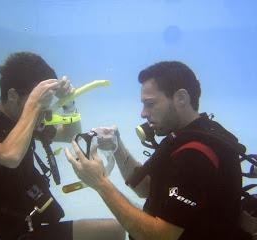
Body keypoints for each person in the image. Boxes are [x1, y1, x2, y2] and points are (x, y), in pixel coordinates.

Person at [65, 61, 245, 240]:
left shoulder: (195, 156)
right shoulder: (188, 134)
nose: (143, 113)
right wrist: (117, 146)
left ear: (181, 98)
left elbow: (161, 237)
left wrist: (100, 183)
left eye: (150, 104)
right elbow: (146, 188)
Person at [0, 52, 125, 240]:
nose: (44, 112)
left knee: (116, 231)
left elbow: (70, 134)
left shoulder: (24, 120)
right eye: (40, 102)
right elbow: (9, 156)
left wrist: (69, 104)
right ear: (13, 95)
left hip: (21, 226)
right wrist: (34, 105)